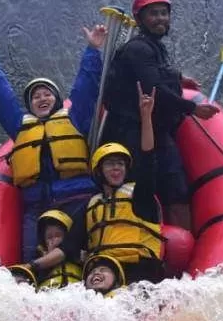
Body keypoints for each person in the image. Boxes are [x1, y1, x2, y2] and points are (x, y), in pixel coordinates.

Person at [0, 24, 107, 261]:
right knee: (30, 259)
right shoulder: (20, 126)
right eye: (36, 96)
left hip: (78, 199)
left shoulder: (75, 118)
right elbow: (0, 95)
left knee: (88, 255)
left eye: (47, 94)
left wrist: (92, 48)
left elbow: (85, 86)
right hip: (37, 207)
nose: (42, 98)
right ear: (30, 105)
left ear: (56, 100)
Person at [101, 0, 219, 232]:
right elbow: (153, 87)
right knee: (141, 190)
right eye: (153, 14)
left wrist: (179, 77)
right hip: (130, 133)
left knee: (176, 188)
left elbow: (156, 72)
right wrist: (192, 108)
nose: (161, 19)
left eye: (164, 13)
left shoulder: (153, 47)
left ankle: (182, 248)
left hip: (156, 130)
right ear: (141, 19)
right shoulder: (138, 48)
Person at [29, 81, 167, 287]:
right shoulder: (90, 206)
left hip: (140, 270)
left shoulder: (140, 195)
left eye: (120, 164)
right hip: (103, 271)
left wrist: (146, 117)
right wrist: (31, 267)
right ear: (99, 172)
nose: (116, 169)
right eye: (110, 165)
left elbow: (148, 158)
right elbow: (67, 248)